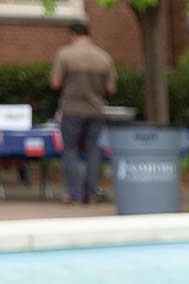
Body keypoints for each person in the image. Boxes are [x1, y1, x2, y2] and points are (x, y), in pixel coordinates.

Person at [48, 21, 115, 205]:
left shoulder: (65, 54)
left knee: (70, 150)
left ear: (73, 35)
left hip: (72, 109)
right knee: (94, 150)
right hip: (96, 110)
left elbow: (55, 83)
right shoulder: (104, 57)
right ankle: (91, 193)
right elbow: (111, 88)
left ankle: (74, 194)